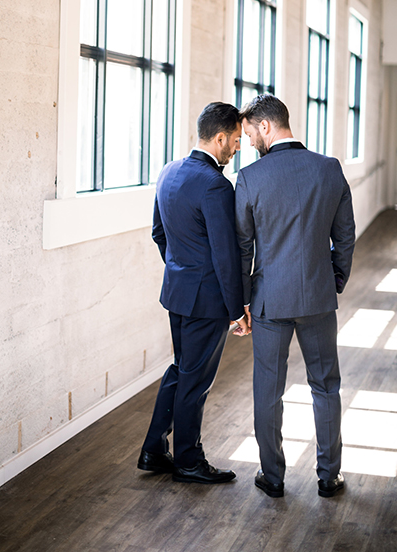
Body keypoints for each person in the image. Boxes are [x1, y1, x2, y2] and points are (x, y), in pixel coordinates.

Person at [235, 94, 355, 498]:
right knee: (326, 386)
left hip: (270, 301)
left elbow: (243, 248)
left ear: (266, 126)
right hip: (319, 298)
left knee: (269, 390)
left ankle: (272, 477)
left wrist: (243, 303)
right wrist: (333, 279)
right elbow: (345, 235)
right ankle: (329, 476)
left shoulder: (251, 179)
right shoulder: (329, 169)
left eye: (251, 133)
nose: (250, 142)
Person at [138, 101, 249, 484]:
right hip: (207, 302)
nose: (238, 147)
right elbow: (225, 256)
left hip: (177, 293)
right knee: (195, 381)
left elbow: (158, 233)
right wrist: (238, 310)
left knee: (181, 369)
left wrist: (181, 269)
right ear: (219, 138)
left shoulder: (168, 172)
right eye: (235, 140)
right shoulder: (216, 185)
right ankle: (187, 460)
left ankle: (154, 450)